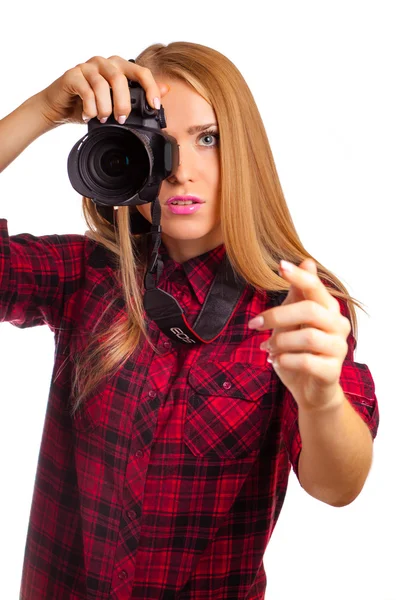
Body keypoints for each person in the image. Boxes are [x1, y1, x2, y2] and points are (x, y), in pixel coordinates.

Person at [0, 42, 379, 600]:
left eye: (209, 138)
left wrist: (321, 398)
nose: (181, 172)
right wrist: (41, 110)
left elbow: (338, 486)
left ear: (245, 151)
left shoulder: (297, 304)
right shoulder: (88, 275)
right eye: (157, 144)